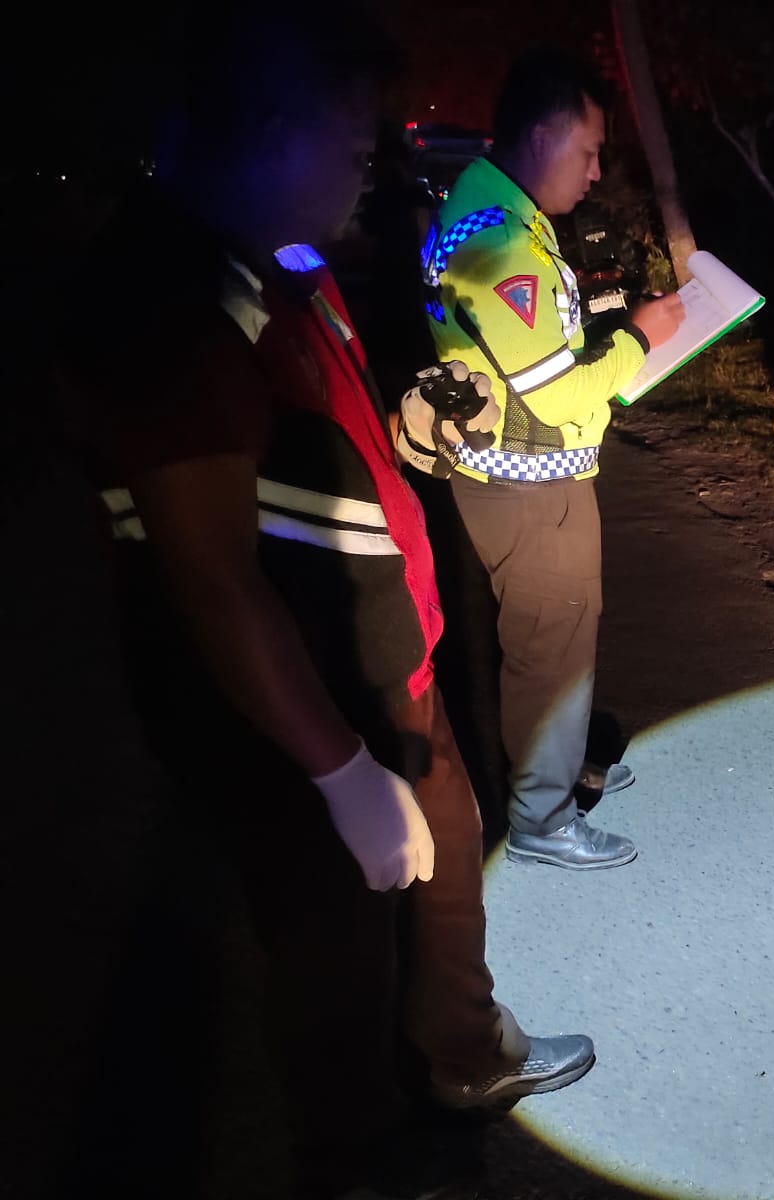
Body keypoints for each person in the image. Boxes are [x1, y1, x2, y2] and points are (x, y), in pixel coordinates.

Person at [75, 7, 594, 1195]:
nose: (373, 172)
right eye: (354, 147)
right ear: (271, 136)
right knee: (333, 952)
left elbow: (320, 422)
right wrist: (337, 772)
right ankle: (359, 1162)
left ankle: (463, 1054)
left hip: (381, 668)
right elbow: (207, 573)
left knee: (445, 852)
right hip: (304, 709)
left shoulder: (272, 260)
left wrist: (408, 429)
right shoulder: (162, 300)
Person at [415, 48, 684, 870]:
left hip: (517, 479)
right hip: (531, 489)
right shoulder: (500, 243)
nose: (598, 172)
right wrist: (644, 336)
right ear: (541, 136)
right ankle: (544, 817)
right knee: (550, 646)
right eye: (589, 150)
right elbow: (562, 397)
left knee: (554, 639)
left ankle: (562, 770)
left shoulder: (492, 212)